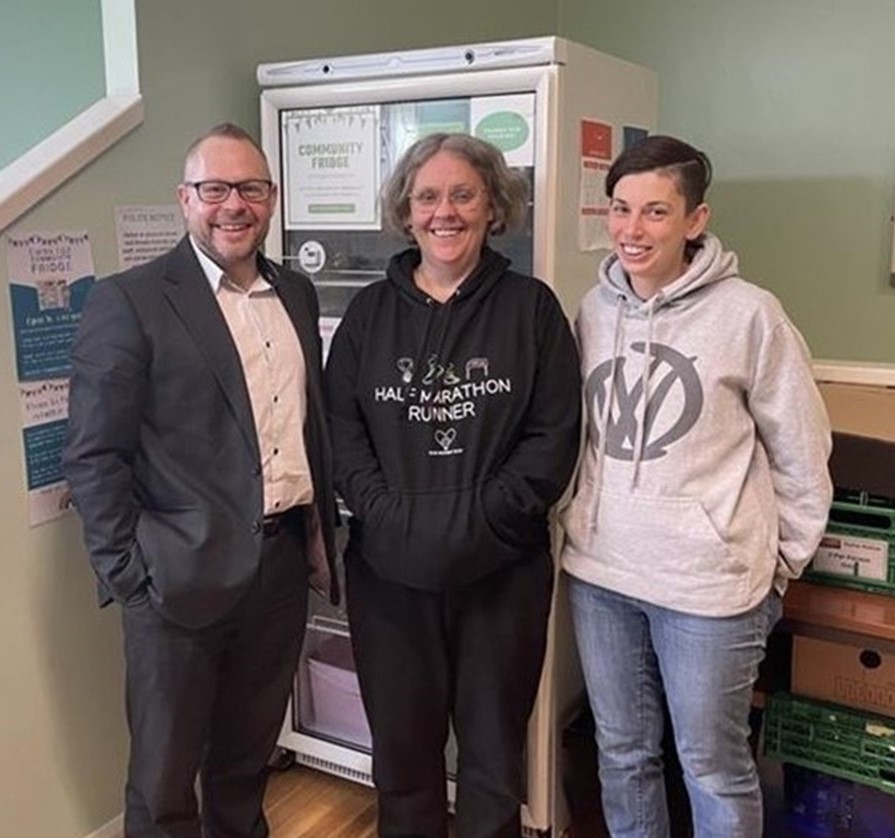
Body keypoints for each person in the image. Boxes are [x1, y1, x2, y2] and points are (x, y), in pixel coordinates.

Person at [63, 122, 337, 838]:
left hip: (277, 571)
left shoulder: (296, 294)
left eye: (250, 188)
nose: (233, 205)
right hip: (174, 581)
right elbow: (94, 454)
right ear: (185, 199)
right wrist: (131, 577)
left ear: (272, 199)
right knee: (162, 784)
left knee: (245, 763)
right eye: (214, 189)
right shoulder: (131, 300)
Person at [561, 134, 832, 837]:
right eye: (620, 209)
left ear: (695, 219)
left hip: (710, 592)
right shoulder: (591, 312)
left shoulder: (750, 314)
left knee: (710, 766)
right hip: (599, 575)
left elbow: (802, 451)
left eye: (654, 212)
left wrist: (778, 566)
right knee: (621, 756)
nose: (631, 229)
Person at [324, 133, 581, 838]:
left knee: (493, 760)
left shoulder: (532, 310)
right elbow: (341, 433)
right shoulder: (366, 319)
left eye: (463, 195)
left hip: (501, 574)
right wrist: (385, 516)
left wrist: (484, 520)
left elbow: (552, 437)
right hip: (388, 577)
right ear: (405, 212)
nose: (445, 212)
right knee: (402, 760)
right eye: (428, 197)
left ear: (493, 207)